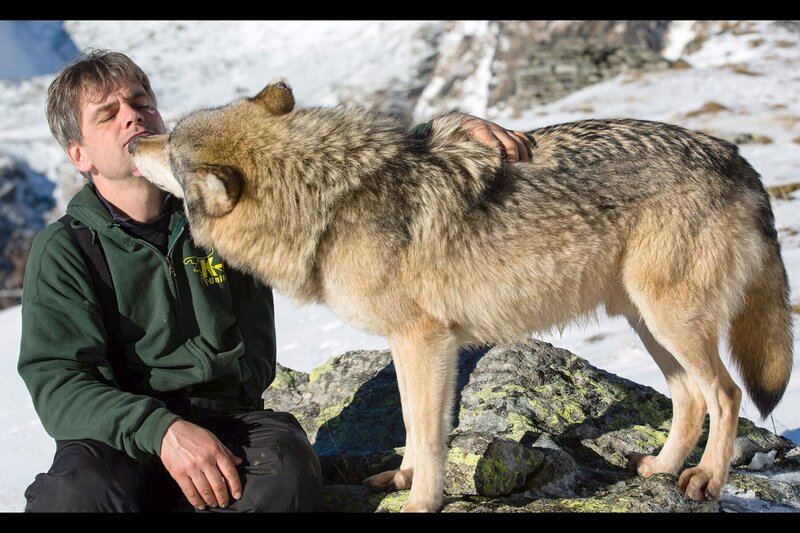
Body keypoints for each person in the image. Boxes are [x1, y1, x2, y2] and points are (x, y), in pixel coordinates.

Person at [17, 48, 533, 513]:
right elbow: (58, 381)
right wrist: (163, 431)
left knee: (288, 474)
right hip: (120, 435)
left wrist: (443, 135)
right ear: (79, 154)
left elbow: (325, 166)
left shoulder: (227, 205)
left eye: (141, 102)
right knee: (72, 499)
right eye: (108, 115)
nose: (133, 115)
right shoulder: (66, 249)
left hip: (229, 420)